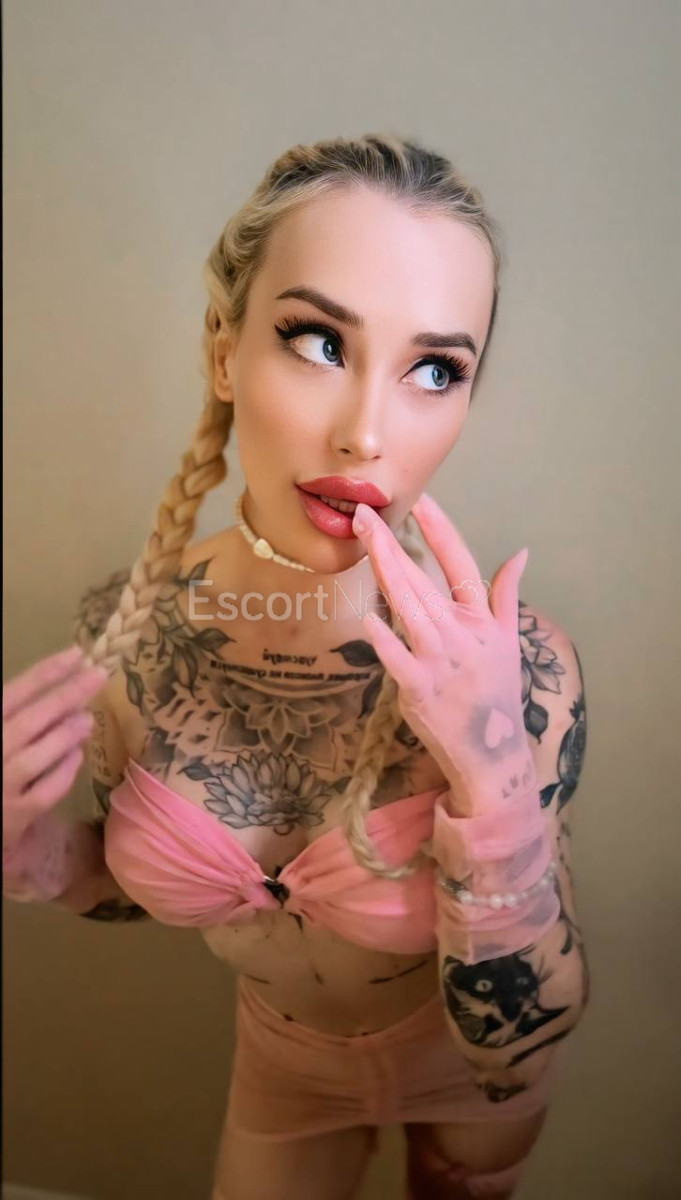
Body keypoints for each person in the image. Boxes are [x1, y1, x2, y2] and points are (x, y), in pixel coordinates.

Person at [4, 133, 589, 1199]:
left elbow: (517, 1037)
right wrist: (30, 856)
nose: (366, 433)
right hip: (284, 1064)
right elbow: (125, 884)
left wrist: (493, 774)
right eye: (319, 341)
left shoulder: (522, 670)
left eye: (434, 370)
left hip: (475, 1081)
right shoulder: (128, 637)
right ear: (224, 350)